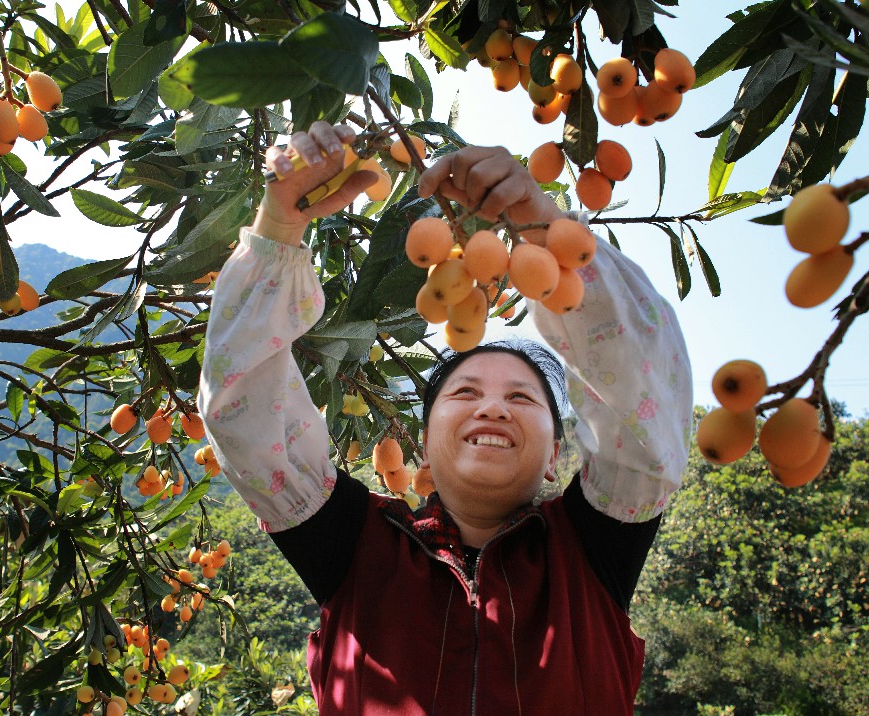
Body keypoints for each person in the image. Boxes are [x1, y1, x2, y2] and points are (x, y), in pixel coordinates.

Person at [197, 121, 693, 715]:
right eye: (464, 395)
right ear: (424, 448)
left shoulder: (592, 553)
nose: (491, 405)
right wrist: (278, 228)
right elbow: (244, 417)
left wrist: (542, 226)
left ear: (560, 450)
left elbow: (646, 396)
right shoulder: (355, 548)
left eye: (522, 398)